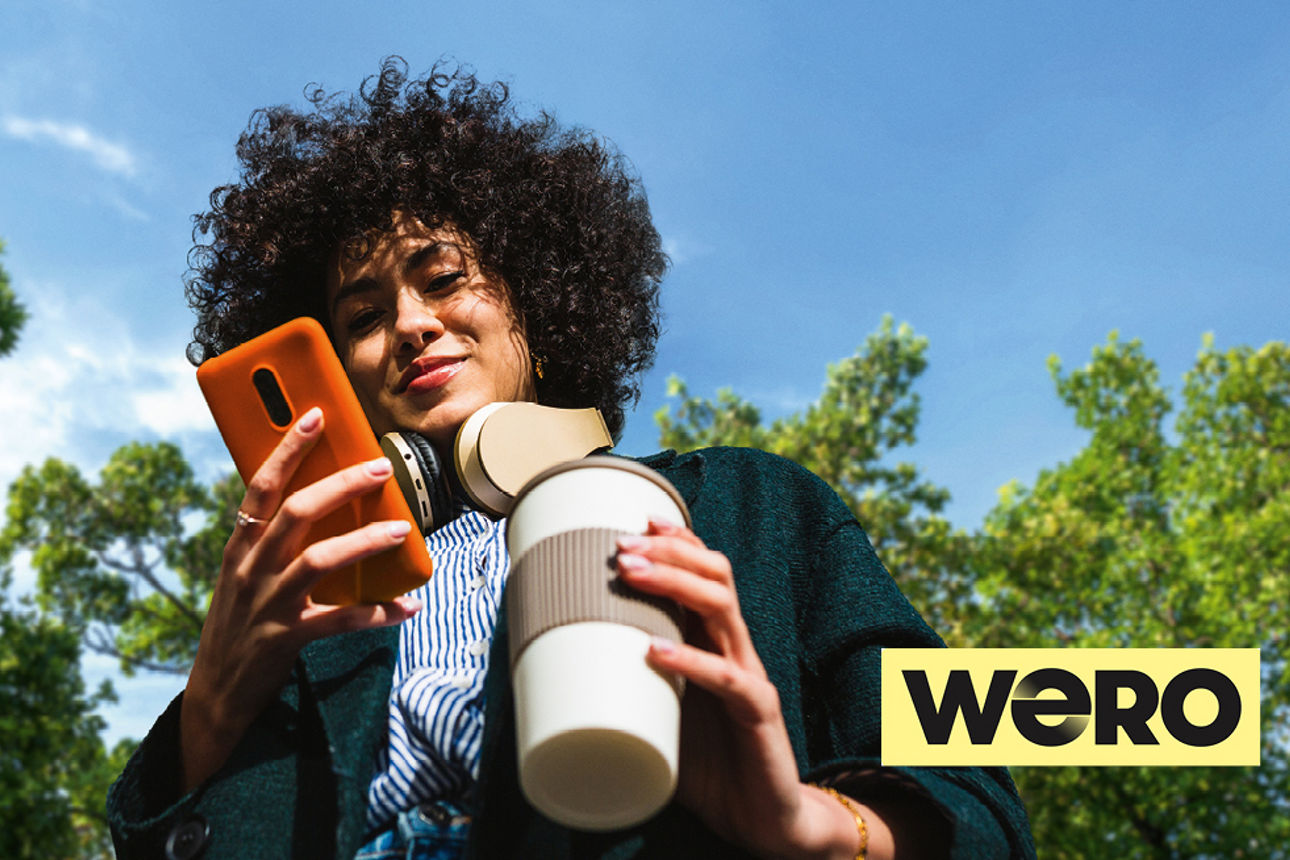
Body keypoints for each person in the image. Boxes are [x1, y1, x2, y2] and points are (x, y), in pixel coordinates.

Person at [107, 58, 1036, 859]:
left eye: (445, 278)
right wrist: (205, 721)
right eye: (362, 318)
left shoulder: (757, 506)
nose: (411, 325)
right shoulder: (299, 602)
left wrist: (811, 825)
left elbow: (974, 795)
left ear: (536, 300)